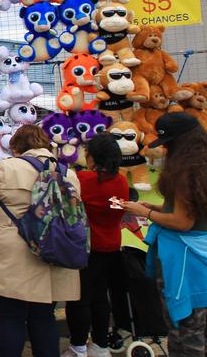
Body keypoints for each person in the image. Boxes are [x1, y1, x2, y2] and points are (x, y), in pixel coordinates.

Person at [123, 112, 207, 356]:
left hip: (186, 258)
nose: (165, 149)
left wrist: (144, 212)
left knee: (184, 324)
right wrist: (155, 208)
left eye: (168, 143)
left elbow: (181, 222)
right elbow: (192, 209)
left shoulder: (185, 171)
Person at [0, 125, 81, 357]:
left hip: (11, 252)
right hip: (54, 250)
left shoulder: (7, 168)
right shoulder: (68, 173)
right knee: (43, 317)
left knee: (10, 316)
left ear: (16, 146)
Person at [63, 134, 129, 357]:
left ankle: (78, 346)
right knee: (100, 296)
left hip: (86, 247)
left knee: (79, 298)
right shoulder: (120, 181)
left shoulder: (84, 179)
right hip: (111, 245)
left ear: (93, 156)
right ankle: (100, 345)